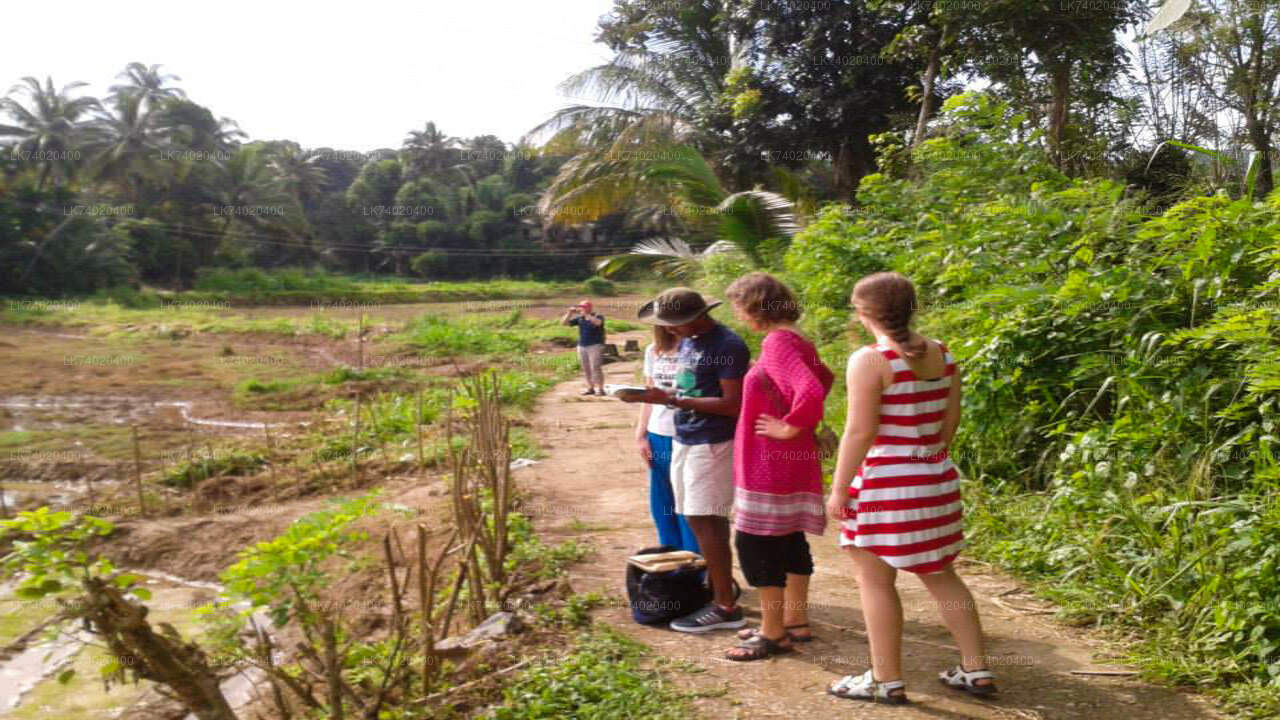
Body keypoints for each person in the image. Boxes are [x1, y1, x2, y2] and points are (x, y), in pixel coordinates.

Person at [826, 272, 996, 704]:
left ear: (864, 313)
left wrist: (839, 489)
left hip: (888, 482)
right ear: (912, 308)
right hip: (936, 478)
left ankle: (886, 679)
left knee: (875, 580)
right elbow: (949, 425)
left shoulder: (869, 359)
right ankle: (975, 668)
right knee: (940, 572)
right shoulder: (943, 354)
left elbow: (859, 432)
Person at [622, 287, 748, 632]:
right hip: (686, 437)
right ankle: (715, 590)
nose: (670, 330)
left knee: (705, 517)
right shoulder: (690, 341)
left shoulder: (727, 345)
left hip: (713, 441)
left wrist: (675, 401)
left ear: (696, 317)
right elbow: (691, 392)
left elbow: (732, 403)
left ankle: (725, 605)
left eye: (675, 324)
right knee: (694, 515)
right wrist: (658, 398)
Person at [720, 272, 833, 661]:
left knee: (755, 543)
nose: (738, 316)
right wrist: (796, 422)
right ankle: (795, 620)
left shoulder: (777, 342)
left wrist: (789, 425)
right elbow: (825, 377)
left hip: (769, 462)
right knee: (789, 537)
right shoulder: (799, 338)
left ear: (753, 307)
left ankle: (773, 633)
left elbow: (812, 390)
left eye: (739, 307)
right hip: (794, 462)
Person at [634, 324, 700, 553]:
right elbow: (649, 393)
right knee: (663, 501)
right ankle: (671, 560)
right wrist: (641, 433)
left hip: (688, 434)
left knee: (688, 500)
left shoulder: (697, 349)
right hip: (658, 432)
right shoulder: (654, 350)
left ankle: (695, 562)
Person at [561, 299, 606, 395]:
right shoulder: (580, 319)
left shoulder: (597, 316)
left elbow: (598, 323)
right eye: (582, 307)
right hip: (582, 346)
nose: (583, 309)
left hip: (595, 345)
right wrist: (569, 313)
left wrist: (586, 315)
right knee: (586, 368)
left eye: (585, 307)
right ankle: (591, 388)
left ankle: (600, 389)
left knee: (596, 367)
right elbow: (564, 323)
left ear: (590, 308)